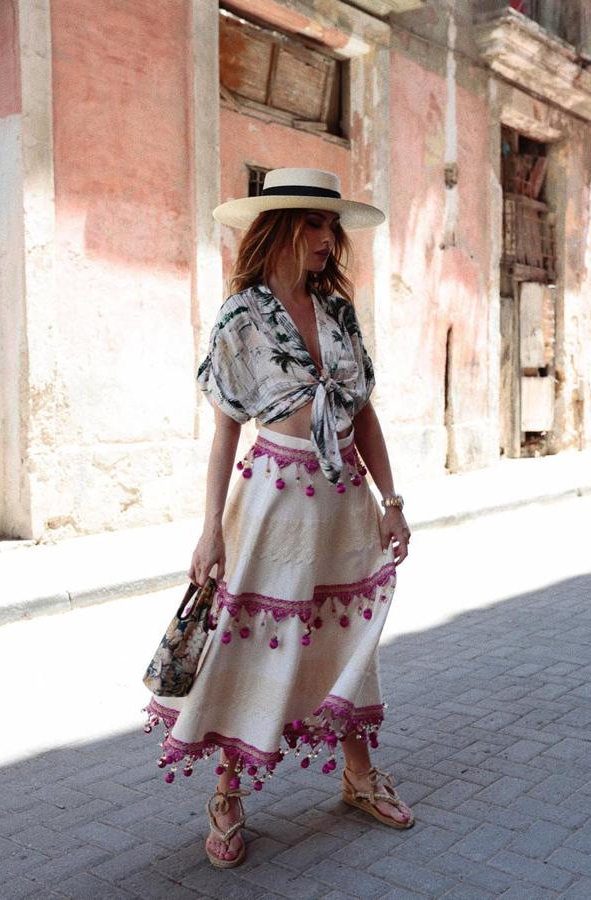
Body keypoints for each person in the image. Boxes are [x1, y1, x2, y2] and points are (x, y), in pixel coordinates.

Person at [144, 168, 413, 869]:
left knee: (348, 634)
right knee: (251, 640)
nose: (330, 239)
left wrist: (392, 502)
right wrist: (210, 528)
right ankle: (229, 795)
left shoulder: (338, 312)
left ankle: (357, 776)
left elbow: (365, 414)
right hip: (271, 503)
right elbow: (226, 432)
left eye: (334, 227)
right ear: (285, 228)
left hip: (344, 499)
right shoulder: (242, 317)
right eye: (317, 225)